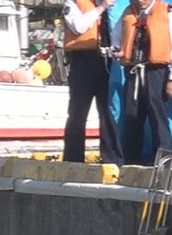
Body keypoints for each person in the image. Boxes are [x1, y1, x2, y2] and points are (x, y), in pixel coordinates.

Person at [112, 0, 172, 165]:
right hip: (133, 72)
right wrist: (116, 50)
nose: (141, 2)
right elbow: (116, 38)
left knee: (158, 118)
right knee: (132, 117)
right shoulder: (128, 12)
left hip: (157, 72)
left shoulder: (168, 13)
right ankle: (131, 162)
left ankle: (164, 162)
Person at [62, 0, 124, 165]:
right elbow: (79, 26)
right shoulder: (73, 3)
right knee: (78, 112)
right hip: (82, 61)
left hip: (107, 61)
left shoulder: (115, 8)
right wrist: (101, 8)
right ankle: (72, 159)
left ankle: (111, 158)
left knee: (108, 112)